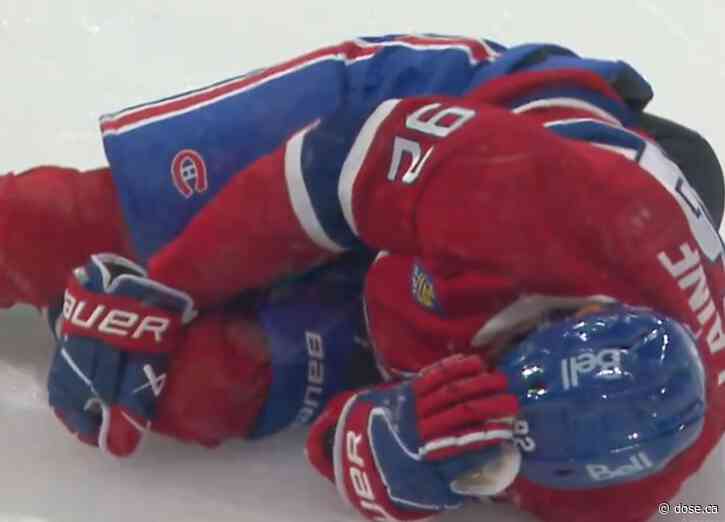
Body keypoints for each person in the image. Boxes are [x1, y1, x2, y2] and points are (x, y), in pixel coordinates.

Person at [3, 34, 724, 522]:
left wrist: (397, 453)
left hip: (432, 275)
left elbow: (363, 445)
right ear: (576, 308)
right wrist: (173, 284)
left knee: (198, 386)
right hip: (440, 132)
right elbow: (334, 168)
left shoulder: (628, 491)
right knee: (71, 223)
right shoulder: (529, 197)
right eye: (507, 357)